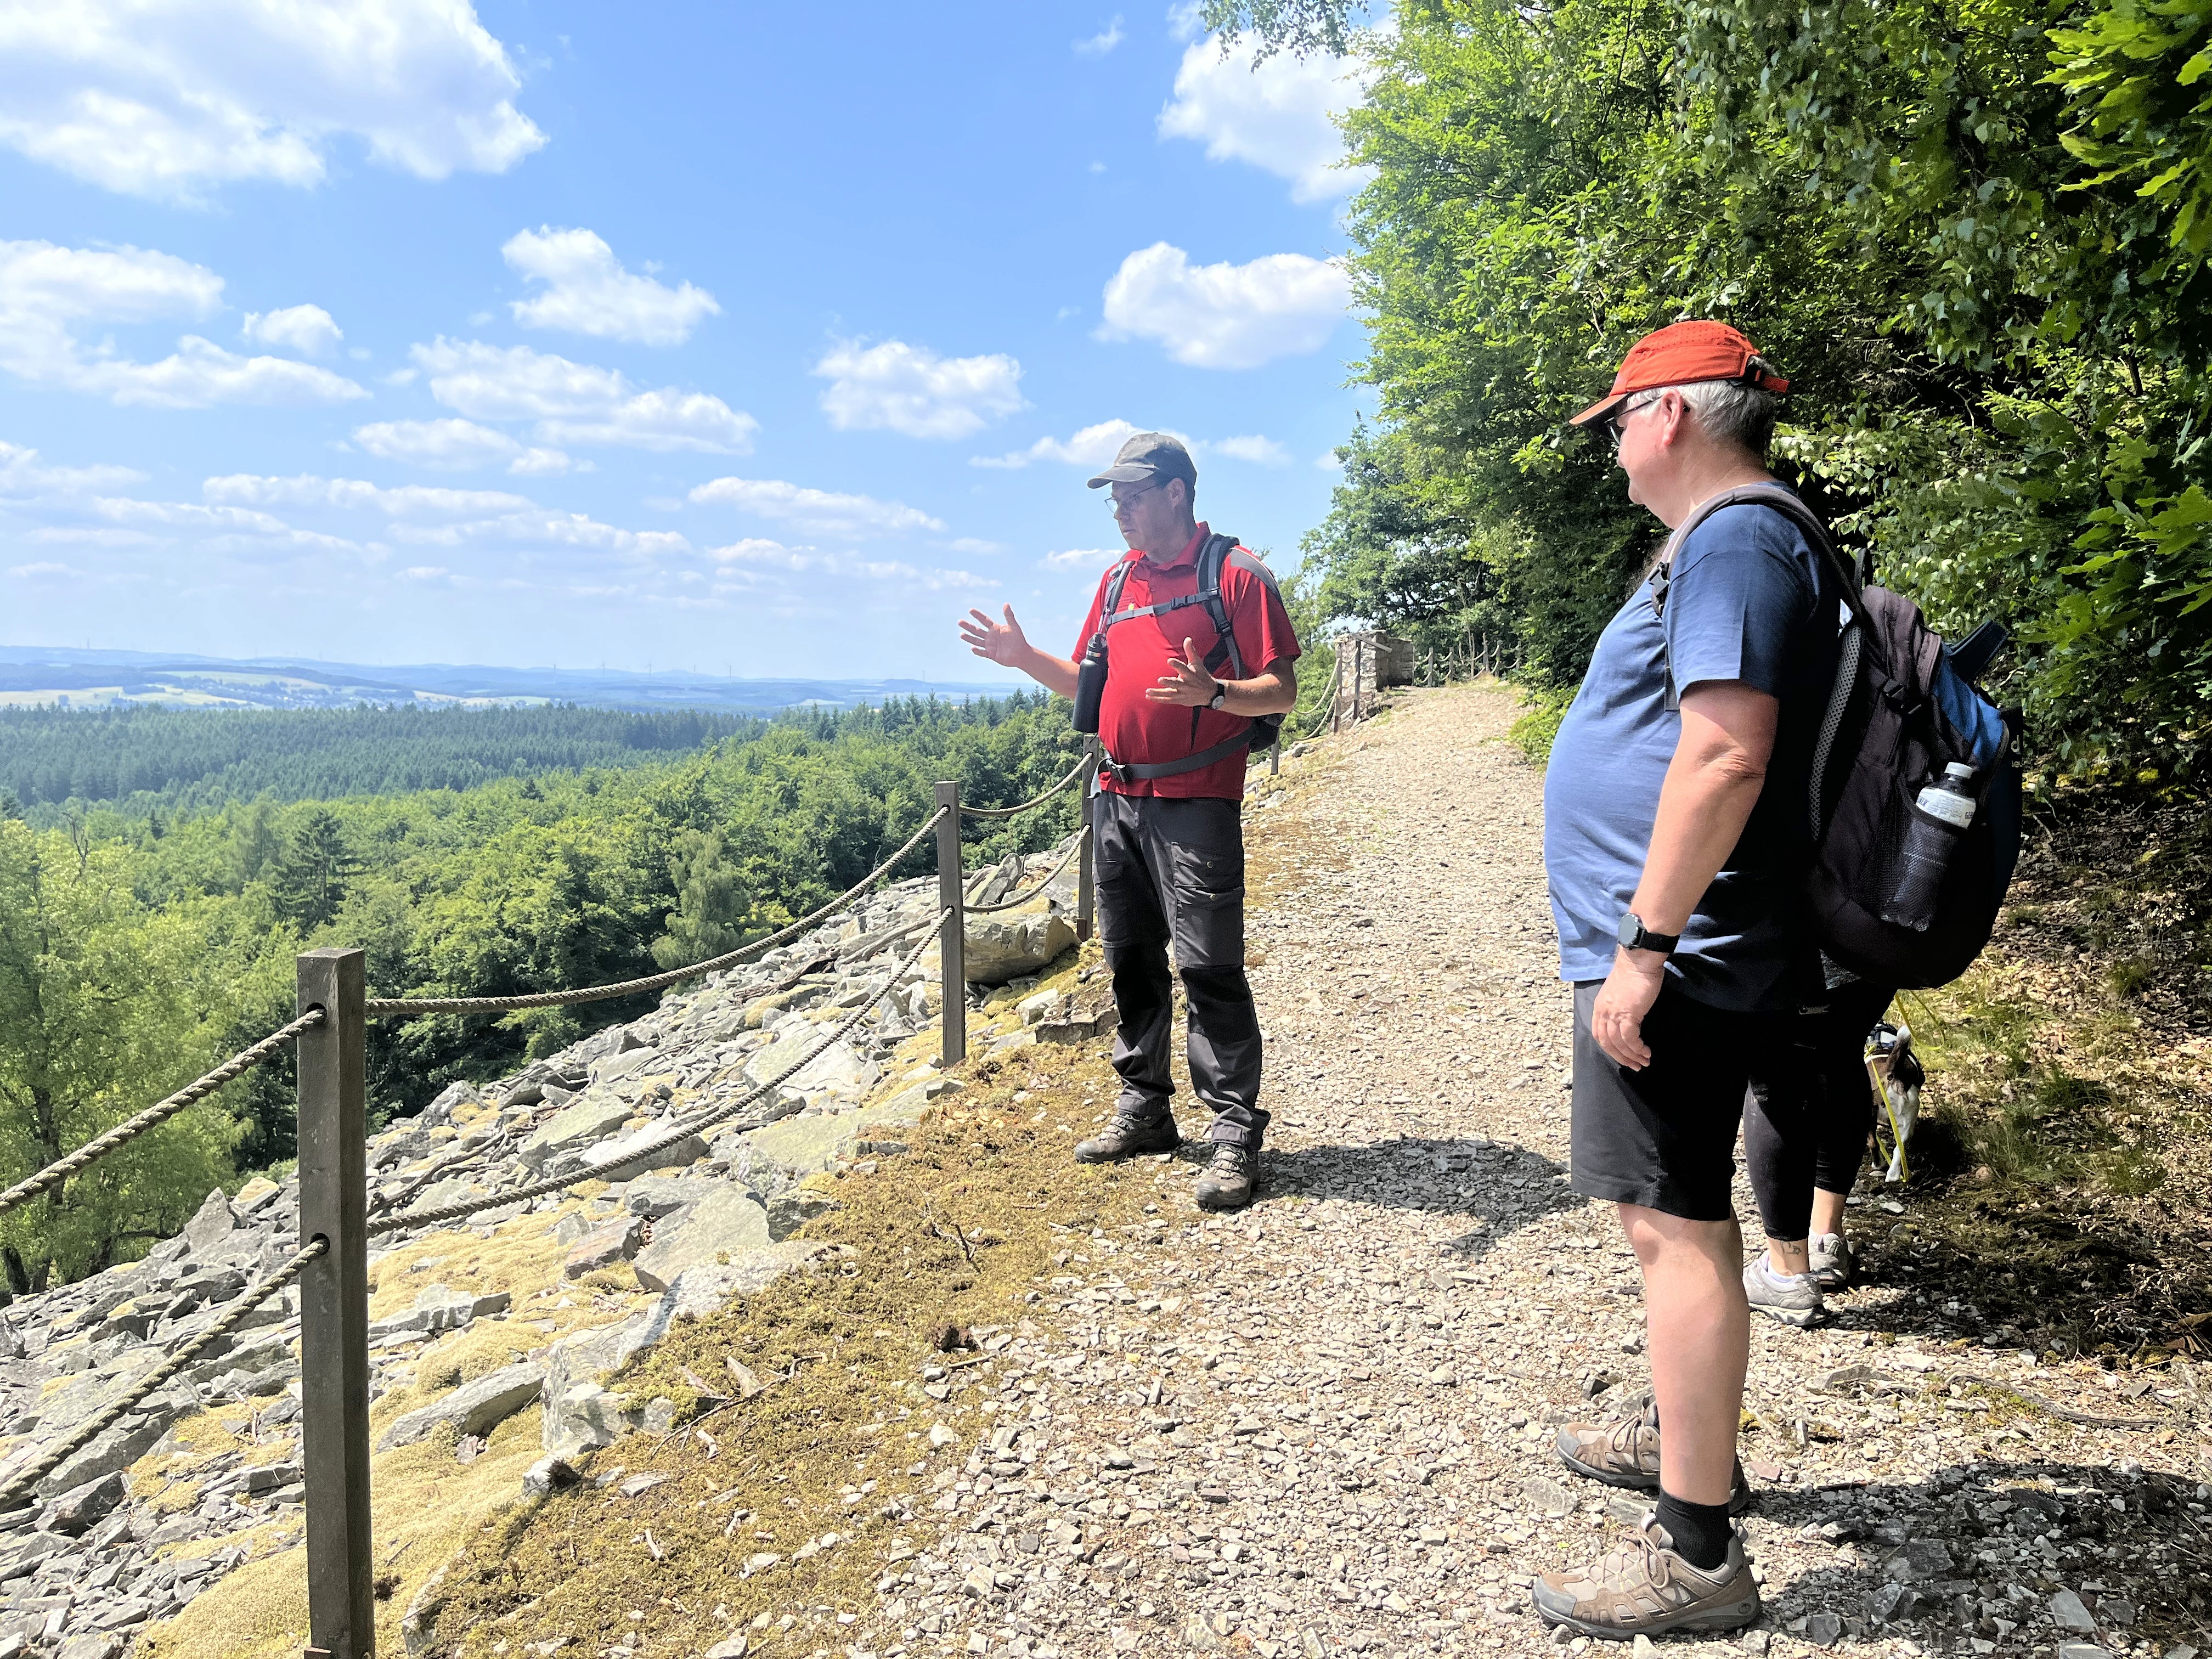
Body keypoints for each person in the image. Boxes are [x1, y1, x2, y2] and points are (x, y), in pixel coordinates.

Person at [1532, 321, 1843, 1640]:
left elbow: (1725, 755)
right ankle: (1683, 1430)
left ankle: (1698, 1553)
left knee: (1674, 1228)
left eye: (1618, 417)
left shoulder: (1734, 538)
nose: (1610, 440)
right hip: (1703, 947)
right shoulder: (1757, 537)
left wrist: (1643, 946)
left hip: (1691, 956)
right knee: (1676, 1219)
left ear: (1670, 417)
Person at [956, 432, 1300, 1211]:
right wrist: (1021, 657)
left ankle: (1233, 1134)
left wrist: (1214, 693)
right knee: (1130, 961)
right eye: (1113, 497)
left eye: (1132, 495)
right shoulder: (1117, 583)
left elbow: (1279, 690)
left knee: (1210, 965)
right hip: (1116, 801)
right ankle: (1145, 1109)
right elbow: (1086, 683)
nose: (1119, 510)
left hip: (1196, 804)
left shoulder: (1238, 578)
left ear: (1177, 492)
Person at [1739, 974, 1896, 1325]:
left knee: (1775, 1065)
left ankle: (1787, 1273)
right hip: (1869, 939)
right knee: (1843, 1048)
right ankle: (1825, 1241)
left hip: (1791, 939)